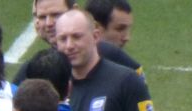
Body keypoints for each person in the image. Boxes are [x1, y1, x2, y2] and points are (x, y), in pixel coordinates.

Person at [12, 0, 143, 84]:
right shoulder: (34, 67)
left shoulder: (109, 53)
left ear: (74, 10)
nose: (49, 23)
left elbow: (138, 81)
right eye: (42, 17)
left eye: (56, 14)